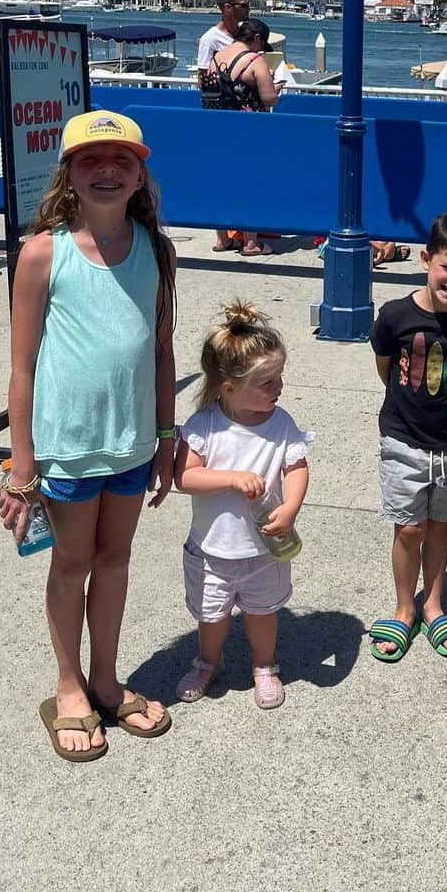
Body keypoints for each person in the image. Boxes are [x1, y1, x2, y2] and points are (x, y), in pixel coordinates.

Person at [0, 110, 176, 761]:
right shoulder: (45, 251)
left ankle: (106, 677)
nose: (106, 171)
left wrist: (166, 434)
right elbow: (21, 368)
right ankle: (68, 685)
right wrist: (22, 466)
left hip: (131, 444)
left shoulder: (157, 249)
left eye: (120, 160)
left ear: (139, 173)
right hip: (67, 449)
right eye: (90, 160)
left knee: (116, 559)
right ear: (69, 173)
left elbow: (160, 349)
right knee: (71, 562)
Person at [368, 212, 447, 662]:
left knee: (439, 525)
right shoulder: (394, 316)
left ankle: (435, 604)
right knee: (409, 528)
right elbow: (386, 369)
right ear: (426, 258)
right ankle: (405, 608)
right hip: (403, 439)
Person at [174, 301, 312, 710]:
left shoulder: (281, 422)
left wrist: (291, 508)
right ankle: (206, 662)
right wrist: (231, 478)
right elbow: (186, 477)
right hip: (213, 549)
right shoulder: (205, 426)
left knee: (262, 611)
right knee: (211, 615)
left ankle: (265, 666)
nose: (279, 388)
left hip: (264, 549)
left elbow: (297, 467)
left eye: (279, 378)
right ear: (229, 388)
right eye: (267, 382)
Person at [210, 19, 285, 255]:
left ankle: (223, 239)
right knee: (252, 183)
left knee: (221, 182)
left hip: (220, 129)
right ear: (256, 39)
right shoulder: (255, 61)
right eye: (261, 44)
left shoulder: (215, 58)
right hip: (250, 132)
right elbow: (269, 98)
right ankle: (251, 243)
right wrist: (275, 85)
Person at [197, 0, 250, 71]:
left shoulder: (246, 32)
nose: (248, 9)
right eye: (243, 5)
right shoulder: (210, 39)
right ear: (228, 7)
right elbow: (203, 76)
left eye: (248, 4)